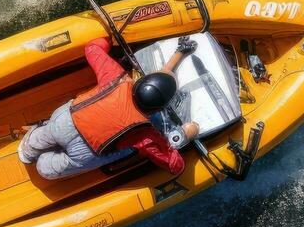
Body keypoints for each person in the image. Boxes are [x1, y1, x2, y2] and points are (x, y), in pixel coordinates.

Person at [18, 35, 203, 179]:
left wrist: (109, 40)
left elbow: (92, 48)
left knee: (39, 139)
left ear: (139, 82)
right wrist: (188, 132)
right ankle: (43, 163)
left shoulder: (116, 76)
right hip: (85, 151)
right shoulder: (145, 134)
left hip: (64, 122)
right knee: (45, 168)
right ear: (157, 109)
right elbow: (175, 165)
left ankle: (27, 151)